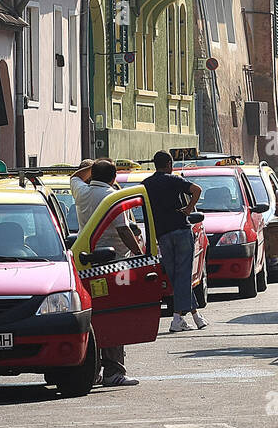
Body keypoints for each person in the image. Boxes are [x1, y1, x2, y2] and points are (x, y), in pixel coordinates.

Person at [71, 159, 143, 386]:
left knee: (96, 317)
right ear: (113, 178)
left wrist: (91, 167)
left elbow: (74, 177)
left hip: (87, 262)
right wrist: (141, 254)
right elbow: (123, 229)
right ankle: (114, 371)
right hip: (113, 265)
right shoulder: (112, 197)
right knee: (115, 316)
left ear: (92, 175)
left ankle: (95, 371)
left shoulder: (82, 192)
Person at [143, 151, 204, 333]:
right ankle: (177, 318)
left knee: (176, 277)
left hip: (162, 234)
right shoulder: (174, 179)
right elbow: (197, 190)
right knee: (183, 275)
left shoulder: (146, 184)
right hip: (180, 229)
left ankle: (196, 316)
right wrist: (189, 208)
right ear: (169, 164)